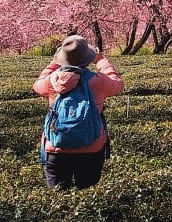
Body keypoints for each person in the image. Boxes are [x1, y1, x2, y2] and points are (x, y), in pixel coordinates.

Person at [33, 34, 123, 189]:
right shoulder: (98, 81)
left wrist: (55, 63)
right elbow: (118, 84)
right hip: (91, 147)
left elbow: (37, 85)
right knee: (87, 196)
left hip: (55, 148)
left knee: (58, 199)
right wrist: (100, 60)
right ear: (88, 58)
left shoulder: (51, 81)